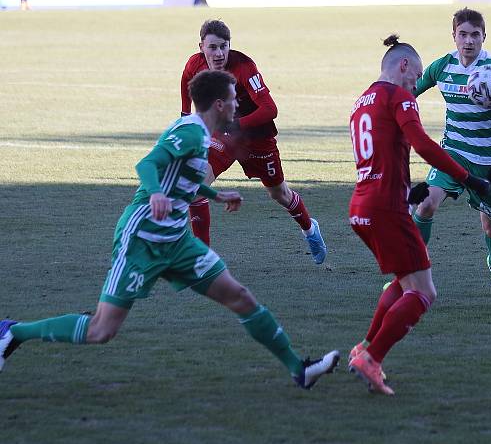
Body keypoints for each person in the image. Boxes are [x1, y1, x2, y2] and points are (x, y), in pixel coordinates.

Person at [0, 70, 340, 389]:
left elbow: (183, 178)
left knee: (240, 297)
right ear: (219, 104)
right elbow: (148, 164)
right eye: (235, 98)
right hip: (143, 239)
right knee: (101, 330)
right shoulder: (190, 131)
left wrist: (214, 193)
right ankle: (13, 333)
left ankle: (299, 369)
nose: (239, 104)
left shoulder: (202, 136)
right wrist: (157, 193)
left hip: (178, 242)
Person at [347, 35, 490, 395]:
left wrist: (407, 191)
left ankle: (364, 348)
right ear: (404, 65)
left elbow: (376, 156)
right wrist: (467, 177)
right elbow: (423, 144)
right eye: (416, 76)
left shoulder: (360, 102)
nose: (416, 85)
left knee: (403, 282)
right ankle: (372, 357)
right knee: (425, 292)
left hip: (362, 205)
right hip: (385, 208)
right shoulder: (398, 96)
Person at [180, 20, 327, 263]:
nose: (219, 54)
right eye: (213, 47)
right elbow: (186, 82)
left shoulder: (244, 67)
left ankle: (310, 229)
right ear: (201, 47)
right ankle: (201, 259)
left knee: (279, 194)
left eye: (224, 47)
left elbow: (270, 109)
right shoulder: (194, 64)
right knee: (195, 186)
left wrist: (237, 124)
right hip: (223, 136)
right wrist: (185, 119)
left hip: (257, 138)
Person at [411, 7, 491, 299]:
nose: (469, 41)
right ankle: (410, 274)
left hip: (489, 163)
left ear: (484, 37)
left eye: (475, 35)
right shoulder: (442, 67)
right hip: (453, 153)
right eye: (463, 34)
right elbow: (409, 92)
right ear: (454, 36)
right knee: (425, 206)